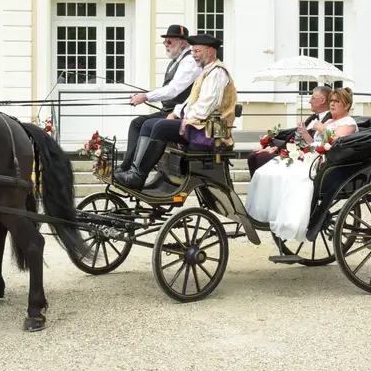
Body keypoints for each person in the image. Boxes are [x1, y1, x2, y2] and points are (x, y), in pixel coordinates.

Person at [114, 33, 237, 191]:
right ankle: (133, 171)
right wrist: (176, 113)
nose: (194, 55)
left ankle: (138, 176)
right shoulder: (207, 71)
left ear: (210, 51)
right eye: (193, 52)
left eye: (197, 51)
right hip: (199, 125)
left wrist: (184, 120)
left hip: (209, 131)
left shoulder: (217, 73)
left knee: (161, 127)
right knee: (148, 124)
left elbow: (205, 107)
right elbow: (191, 100)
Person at [244, 87, 358, 242]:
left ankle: (289, 220)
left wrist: (322, 128)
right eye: (331, 100)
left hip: (326, 160)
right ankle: (268, 213)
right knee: (269, 170)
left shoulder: (349, 123)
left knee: (294, 176)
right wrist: (305, 133)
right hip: (311, 154)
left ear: (346, 105)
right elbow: (315, 143)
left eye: (337, 101)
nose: (332, 104)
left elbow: (335, 141)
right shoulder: (329, 121)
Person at [116, 24, 201, 175]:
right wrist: (143, 96)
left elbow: (174, 89)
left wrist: (145, 96)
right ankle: (126, 167)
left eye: (169, 41)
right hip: (167, 111)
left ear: (182, 42)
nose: (166, 45)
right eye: (165, 42)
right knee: (136, 123)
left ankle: (134, 171)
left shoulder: (189, 61)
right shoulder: (176, 61)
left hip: (180, 114)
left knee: (145, 125)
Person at [247, 85, 332, 175]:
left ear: (322, 100)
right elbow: (294, 136)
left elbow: (315, 142)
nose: (309, 101)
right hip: (292, 151)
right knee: (254, 155)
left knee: (259, 157)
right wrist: (277, 148)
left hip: (305, 157)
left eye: (313, 98)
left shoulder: (328, 120)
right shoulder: (313, 117)